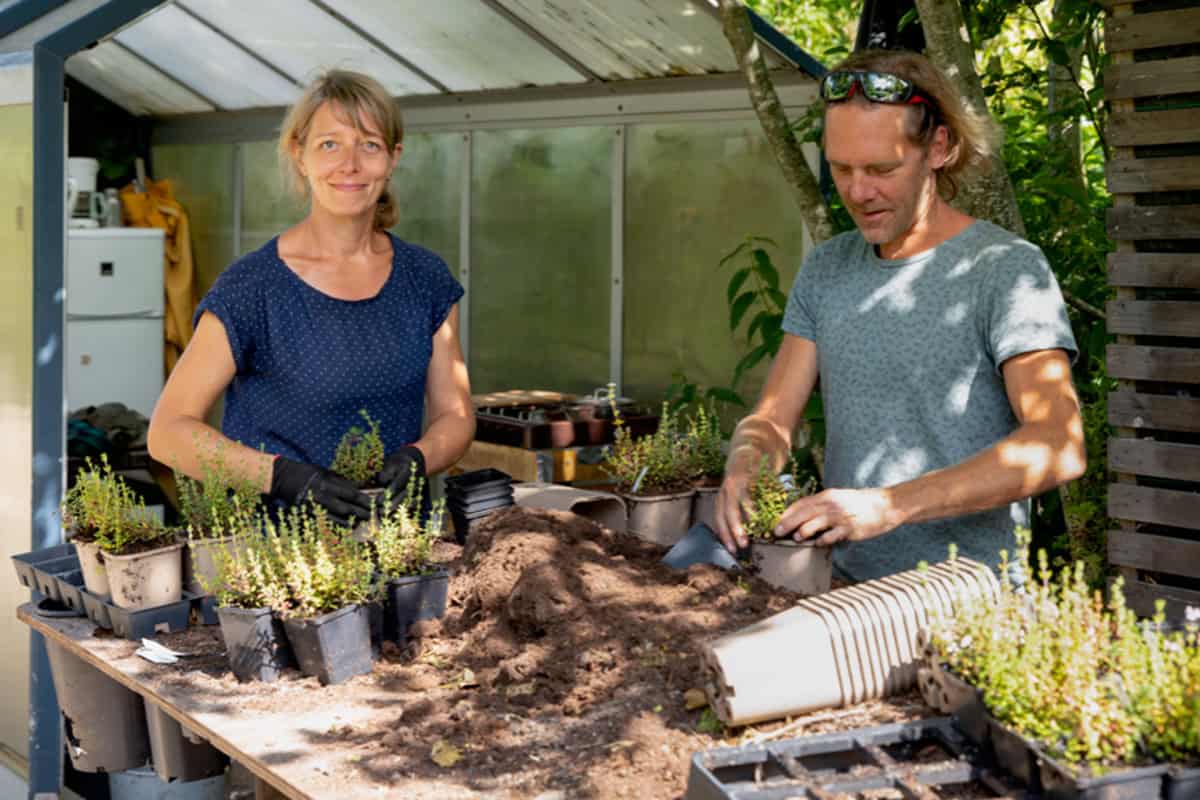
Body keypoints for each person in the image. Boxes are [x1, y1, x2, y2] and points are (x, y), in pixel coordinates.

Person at [714, 50, 1086, 581]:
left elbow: (1059, 444)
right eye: (842, 168)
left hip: (965, 611)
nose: (858, 192)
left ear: (938, 147)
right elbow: (774, 418)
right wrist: (746, 463)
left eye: (882, 169)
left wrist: (889, 505)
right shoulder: (827, 268)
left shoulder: (1004, 270)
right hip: (841, 592)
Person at [148, 70, 474, 524]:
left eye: (370, 145)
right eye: (330, 144)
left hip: (395, 547)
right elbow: (168, 432)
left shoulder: (425, 279)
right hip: (275, 560)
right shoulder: (253, 287)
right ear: (299, 155)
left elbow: (455, 415)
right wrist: (286, 479)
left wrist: (420, 457)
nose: (350, 164)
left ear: (393, 158)